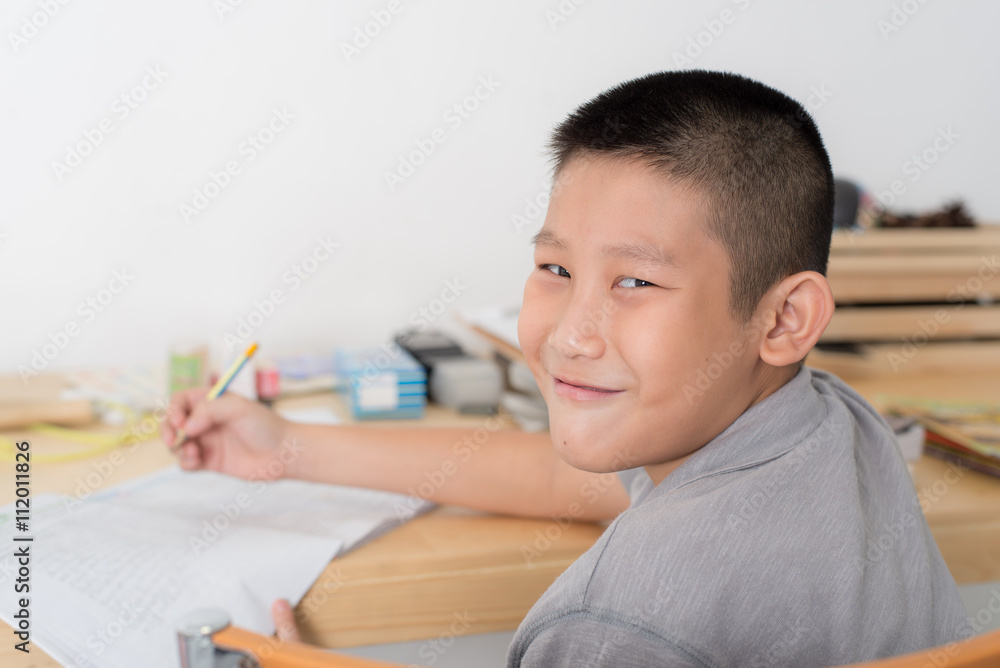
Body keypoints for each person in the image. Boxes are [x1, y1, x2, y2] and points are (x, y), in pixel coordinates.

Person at [164, 70, 968, 667]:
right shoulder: (829, 427)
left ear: (785, 318)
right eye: (556, 270)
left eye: (635, 283)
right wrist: (287, 448)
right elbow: (564, 481)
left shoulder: (614, 623)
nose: (571, 335)